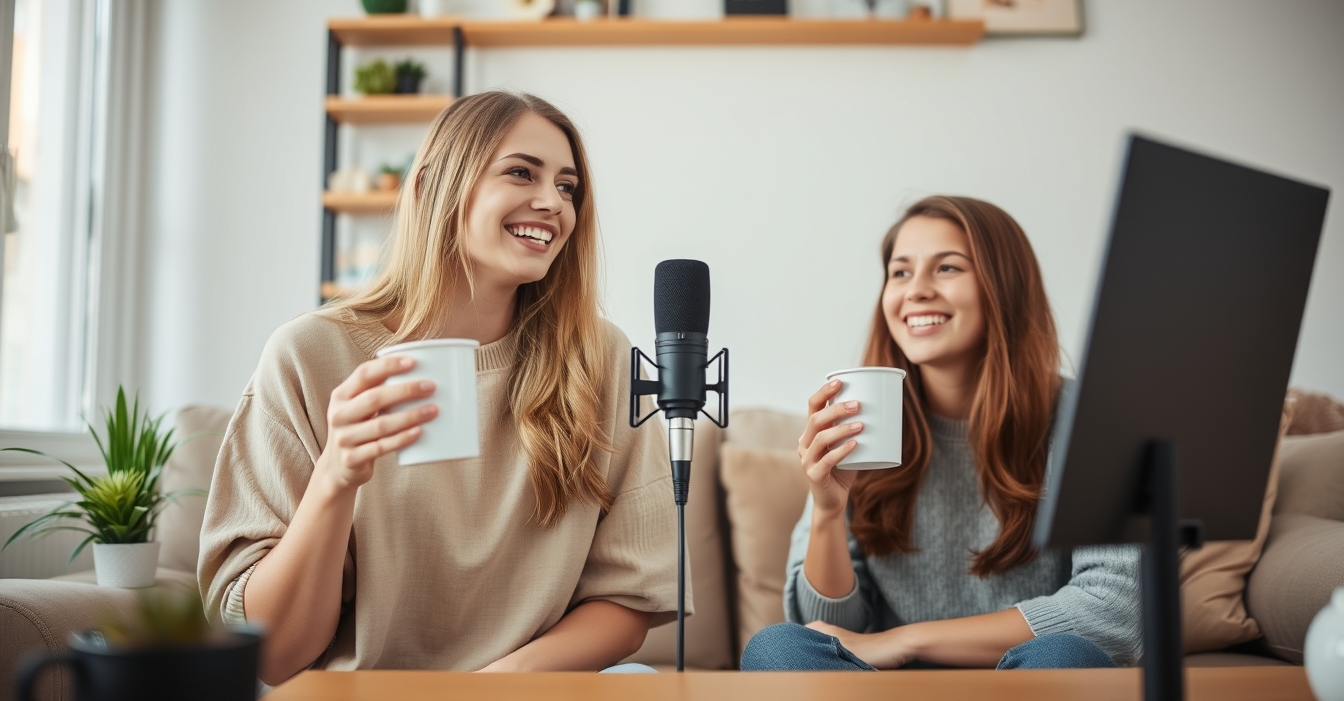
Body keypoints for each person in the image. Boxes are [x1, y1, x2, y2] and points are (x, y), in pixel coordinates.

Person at [198, 91, 680, 683]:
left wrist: (485, 690)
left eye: (567, 186)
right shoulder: (310, 355)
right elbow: (271, 656)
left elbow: (630, 601)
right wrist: (335, 477)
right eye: (521, 173)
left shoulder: (599, 360)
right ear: (431, 189)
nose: (552, 202)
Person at [741, 196, 1141, 671]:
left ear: (1005, 286)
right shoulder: (864, 419)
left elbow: (1114, 613)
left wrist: (908, 641)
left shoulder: (1090, 419)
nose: (917, 291)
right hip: (888, 688)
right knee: (777, 648)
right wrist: (829, 512)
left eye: (947, 268)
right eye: (901, 272)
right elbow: (826, 626)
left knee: (1065, 656)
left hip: (1021, 681)